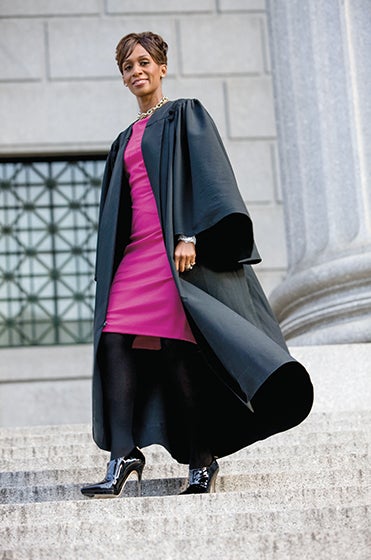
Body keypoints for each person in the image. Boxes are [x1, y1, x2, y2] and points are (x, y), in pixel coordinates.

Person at [81, 31, 313, 498]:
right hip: (134, 258)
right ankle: (123, 451)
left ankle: (202, 458)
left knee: (177, 357)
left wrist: (194, 237)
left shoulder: (185, 114)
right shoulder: (124, 139)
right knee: (112, 341)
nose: (136, 72)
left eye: (144, 62)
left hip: (172, 259)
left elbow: (211, 180)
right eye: (127, 66)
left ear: (162, 66)